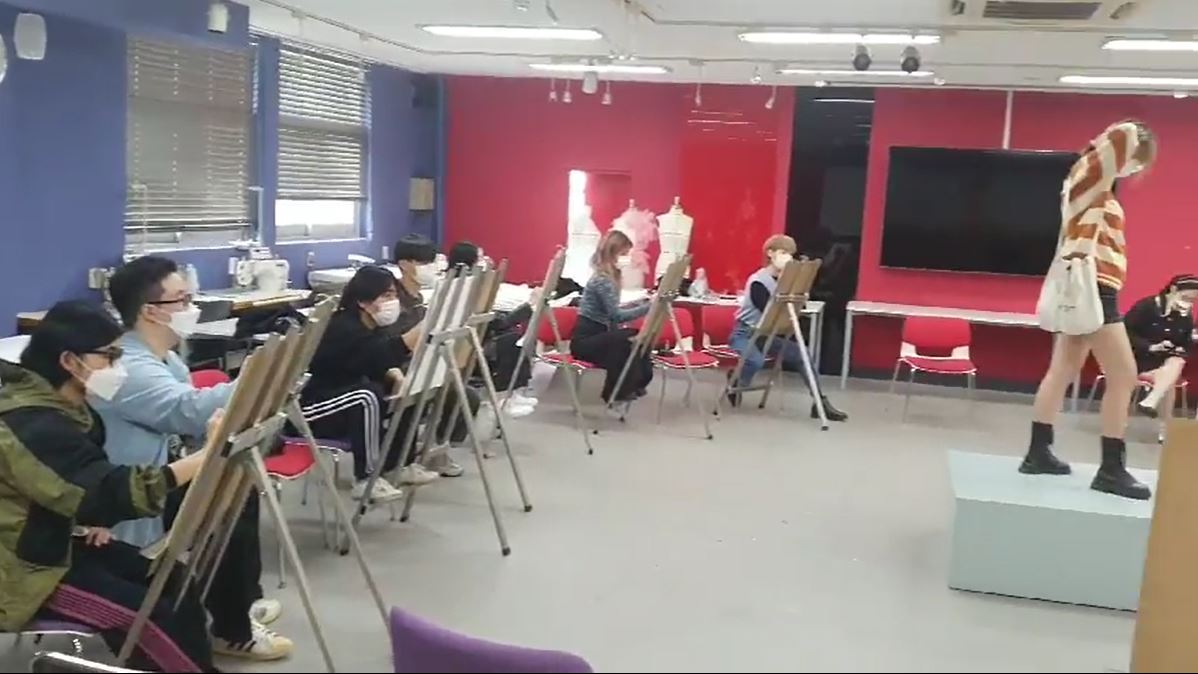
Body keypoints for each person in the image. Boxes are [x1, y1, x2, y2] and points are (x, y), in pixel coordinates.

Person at [0, 301, 219, 672]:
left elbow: (70, 482)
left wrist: (88, 517)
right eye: (110, 356)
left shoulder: (69, 408)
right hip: (22, 571)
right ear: (70, 361)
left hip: (52, 542)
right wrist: (205, 457)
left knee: (172, 580)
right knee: (146, 618)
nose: (119, 367)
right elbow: (103, 492)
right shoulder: (30, 423)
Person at [93, 255, 292, 661]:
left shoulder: (166, 358)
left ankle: (238, 607)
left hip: (158, 476)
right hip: (132, 496)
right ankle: (234, 627)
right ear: (150, 311)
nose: (192, 307)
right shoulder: (129, 367)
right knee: (223, 503)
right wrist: (261, 375)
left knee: (234, 490)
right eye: (182, 299)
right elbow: (188, 411)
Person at [1019, 119, 1158, 500]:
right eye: (1137, 158)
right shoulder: (1090, 178)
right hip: (1095, 288)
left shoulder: (1087, 184)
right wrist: (1133, 133)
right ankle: (1111, 469)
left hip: (1086, 287)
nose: (1135, 167)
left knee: (1063, 369)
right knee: (1124, 375)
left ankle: (1038, 452)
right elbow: (1121, 137)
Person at [306, 265, 442, 501]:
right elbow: (378, 353)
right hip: (315, 408)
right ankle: (367, 478)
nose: (393, 301)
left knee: (406, 388)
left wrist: (396, 376)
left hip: (342, 400)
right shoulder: (343, 327)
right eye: (386, 295)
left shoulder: (371, 326)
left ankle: (398, 464)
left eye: (394, 295)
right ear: (363, 301)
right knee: (366, 396)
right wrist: (424, 328)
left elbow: (373, 362)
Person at [728, 234, 848, 422]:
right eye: (783, 252)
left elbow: (795, 309)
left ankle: (819, 402)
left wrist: (797, 293)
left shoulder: (785, 280)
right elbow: (770, 312)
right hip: (745, 333)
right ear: (770, 253)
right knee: (756, 361)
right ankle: (737, 380)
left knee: (802, 354)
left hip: (766, 334)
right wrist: (787, 298)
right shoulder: (758, 281)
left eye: (790, 254)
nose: (788, 257)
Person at [446, 240, 538, 414]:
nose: (486, 260)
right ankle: (504, 396)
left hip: (477, 337)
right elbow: (492, 324)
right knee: (509, 340)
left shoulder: (473, 285)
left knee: (511, 335)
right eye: (480, 258)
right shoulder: (461, 288)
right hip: (464, 344)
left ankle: (513, 392)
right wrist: (526, 308)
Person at [571, 229, 654, 403]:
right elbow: (616, 316)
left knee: (625, 346)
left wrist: (638, 305)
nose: (627, 258)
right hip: (585, 342)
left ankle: (623, 390)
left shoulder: (609, 277)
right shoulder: (602, 280)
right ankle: (625, 389)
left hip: (598, 336)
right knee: (630, 336)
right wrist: (647, 308)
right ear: (614, 253)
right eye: (624, 254)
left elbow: (612, 311)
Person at [1123, 274, 1198, 437]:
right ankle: (1161, 423)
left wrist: (1177, 348)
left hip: (1163, 364)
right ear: (1173, 290)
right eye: (1186, 298)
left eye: (1193, 300)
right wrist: (1150, 346)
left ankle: (1151, 401)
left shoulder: (1185, 316)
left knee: (1176, 362)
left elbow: (1186, 344)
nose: (1189, 303)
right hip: (1136, 359)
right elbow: (1125, 332)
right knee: (1169, 380)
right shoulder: (1147, 306)